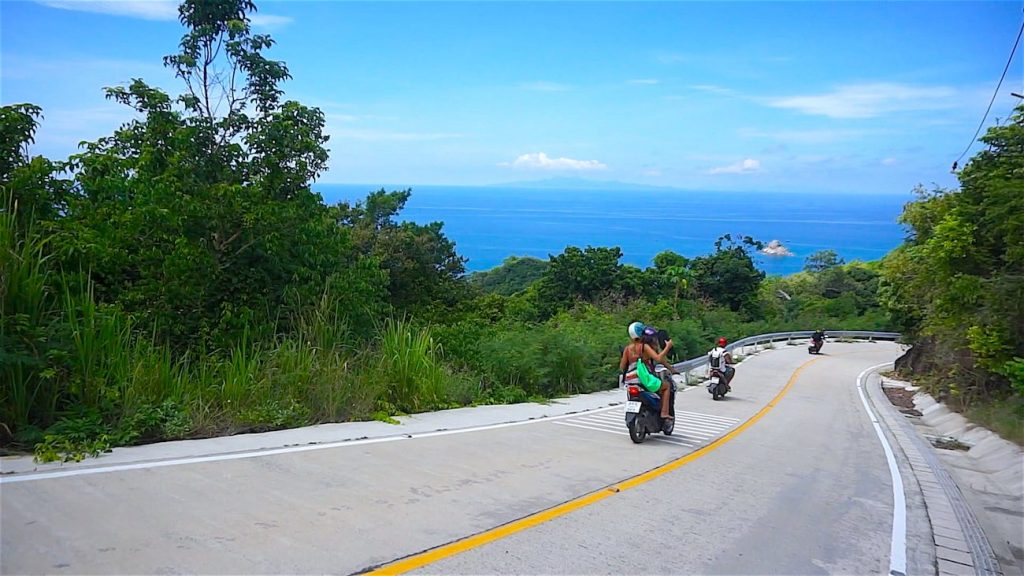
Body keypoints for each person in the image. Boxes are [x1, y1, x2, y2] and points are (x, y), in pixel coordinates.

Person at [619, 322, 678, 429]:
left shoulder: (627, 348)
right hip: (643, 379)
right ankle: (664, 413)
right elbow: (659, 359)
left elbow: (622, 366)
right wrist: (667, 347)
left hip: (630, 380)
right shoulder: (644, 347)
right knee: (666, 387)